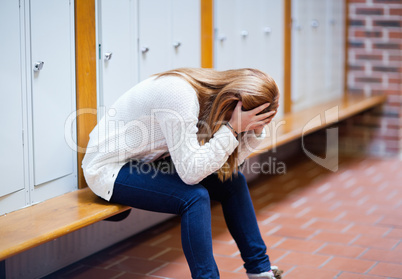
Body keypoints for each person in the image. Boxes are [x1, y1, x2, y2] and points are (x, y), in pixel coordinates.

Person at [82, 68, 282, 279]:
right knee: (194, 197)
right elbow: (191, 174)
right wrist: (232, 129)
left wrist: (254, 130)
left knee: (232, 180)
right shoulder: (179, 96)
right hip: (109, 167)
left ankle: (260, 271)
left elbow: (229, 165)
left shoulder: (209, 97)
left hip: (149, 161)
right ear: (233, 103)